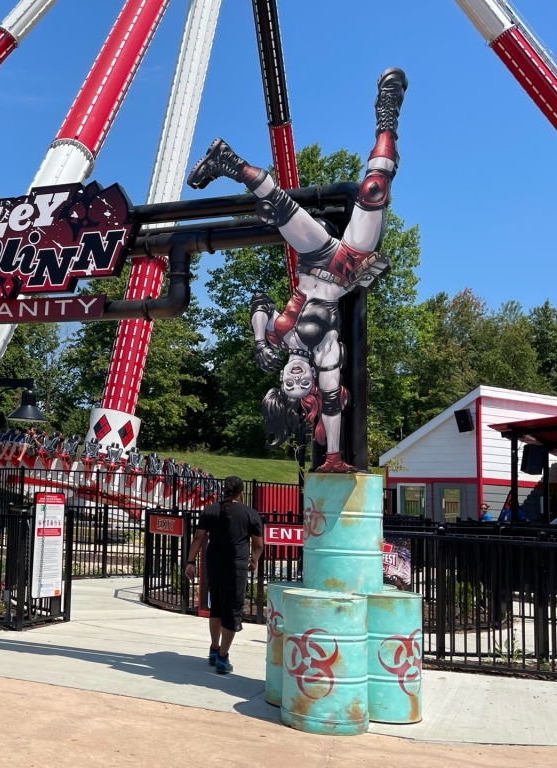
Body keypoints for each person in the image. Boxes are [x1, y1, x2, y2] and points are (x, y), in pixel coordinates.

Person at [187, 68, 407, 472]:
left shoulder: (280, 339)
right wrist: (334, 458)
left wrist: (259, 342)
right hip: (345, 269)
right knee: (373, 190)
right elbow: (330, 404)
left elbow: (259, 301)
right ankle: (387, 115)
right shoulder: (325, 354)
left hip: (314, 259)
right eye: (298, 385)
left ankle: (227, 160)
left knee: (282, 207)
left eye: (288, 383)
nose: (294, 378)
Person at [184, 476, 264, 674]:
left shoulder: (209, 510)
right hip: (235, 567)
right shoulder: (250, 514)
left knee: (217, 608)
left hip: (214, 565)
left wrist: (190, 561)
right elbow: (258, 544)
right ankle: (222, 657)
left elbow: (198, 538)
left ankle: (213, 648)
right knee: (233, 611)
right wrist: (254, 560)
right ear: (241, 493)